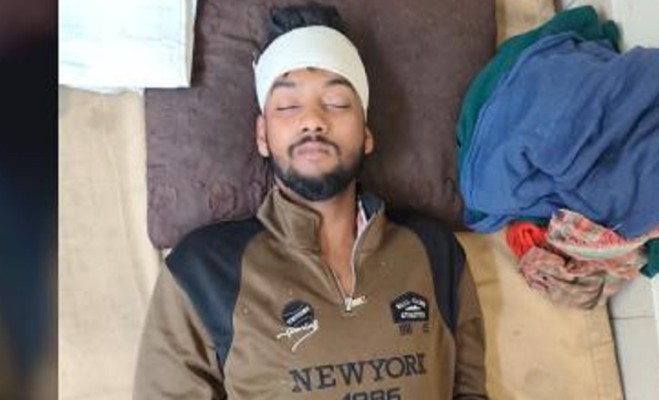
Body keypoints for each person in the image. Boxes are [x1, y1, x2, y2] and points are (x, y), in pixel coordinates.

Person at [134, 3, 487, 399]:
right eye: (288, 106)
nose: (313, 120)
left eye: (336, 103)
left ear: (366, 134)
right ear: (262, 135)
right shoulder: (202, 270)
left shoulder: (434, 251)